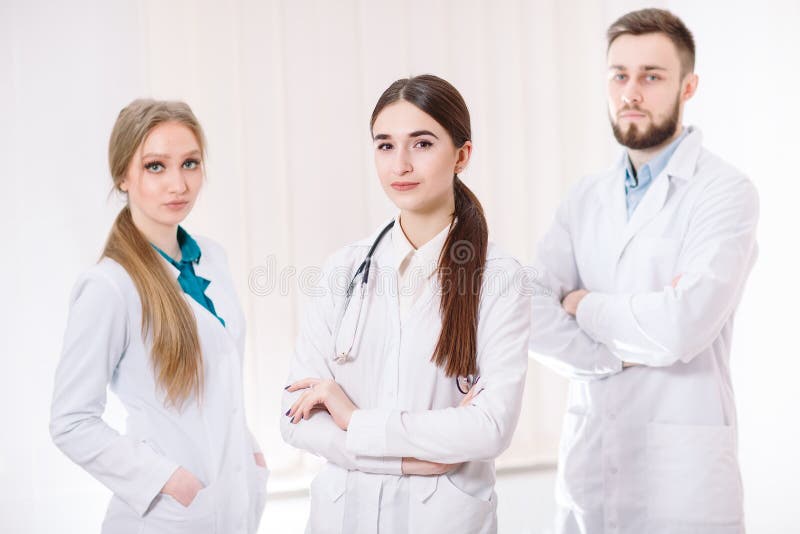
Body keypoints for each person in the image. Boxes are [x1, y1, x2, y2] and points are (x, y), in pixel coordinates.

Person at [529, 8, 759, 534]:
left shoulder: (725, 192)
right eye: (619, 75)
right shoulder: (584, 197)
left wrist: (583, 303)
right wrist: (624, 348)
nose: (631, 92)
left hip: (684, 483)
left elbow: (683, 326)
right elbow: (530, 311)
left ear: (688, 85)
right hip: (592, 467)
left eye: (651, 76)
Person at [281, 74, 530, 534]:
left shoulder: (500, 277)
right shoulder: (344, 269)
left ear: (462, 155)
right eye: (384, 145)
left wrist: (353, 420)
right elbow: (295, 418)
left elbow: (490, 428)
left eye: (421, 143)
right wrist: (408, 460)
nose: (400, 165)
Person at [50, 99, 268, 534]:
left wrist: (250, 453)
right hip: (165, 518)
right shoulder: (108, 287)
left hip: (233, 504)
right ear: (122, 176)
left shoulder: (212, 257)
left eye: (190, 163)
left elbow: (220, 386)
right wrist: (166, 481)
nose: (178, 184)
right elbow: (70, 421)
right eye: (155, 166)